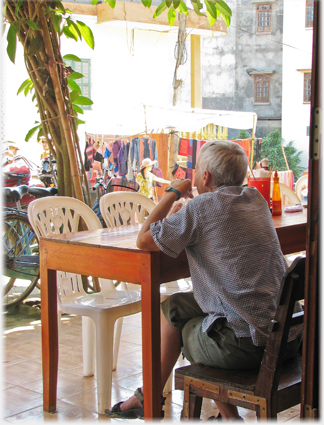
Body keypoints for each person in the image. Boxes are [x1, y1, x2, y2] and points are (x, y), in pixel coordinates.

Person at [105, 140, 302, 420]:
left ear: (205, 176)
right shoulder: (255, 200)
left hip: (248, 346)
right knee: (174, 308)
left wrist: (173, 192)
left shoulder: (201, 208)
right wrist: (181, 218)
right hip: (288, 337)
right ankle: (148, 398)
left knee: (185, 330)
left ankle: (215, 415)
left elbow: (143, 240)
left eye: (196, 170)